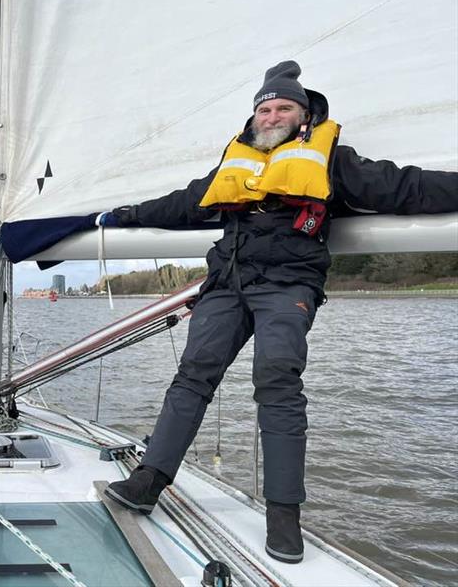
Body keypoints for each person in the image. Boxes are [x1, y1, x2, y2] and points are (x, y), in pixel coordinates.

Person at [100, 61, 458, 563]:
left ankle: (284, 516)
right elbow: (184, 202)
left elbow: (407, 187)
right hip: (228, 282)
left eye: (282, 108)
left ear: (304, 116)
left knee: (277, 380)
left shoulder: (333, 159)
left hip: (288, 283)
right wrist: (124, 214)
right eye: (264, 109)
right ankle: (148, 481)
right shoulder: (237, 160)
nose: (271, 116)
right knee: (192, 375)